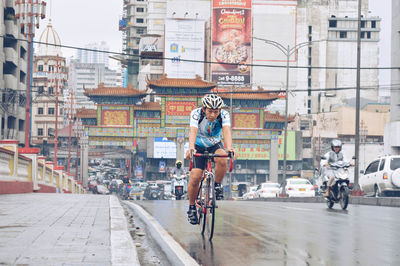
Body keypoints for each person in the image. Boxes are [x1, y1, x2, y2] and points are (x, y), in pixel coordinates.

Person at [185, 94, 236, 225]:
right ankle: (191, 207)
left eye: (216, 112)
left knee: (222, 158)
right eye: (210, 111)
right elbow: (193, 131)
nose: (213, 115)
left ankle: (217, 185)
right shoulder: (196, 114)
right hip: (198, 145)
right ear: (204, 109)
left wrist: (230, 148)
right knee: (196, 176)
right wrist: (191, 148)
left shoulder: (224, 115)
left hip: (214, 144)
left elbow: (226, 131)